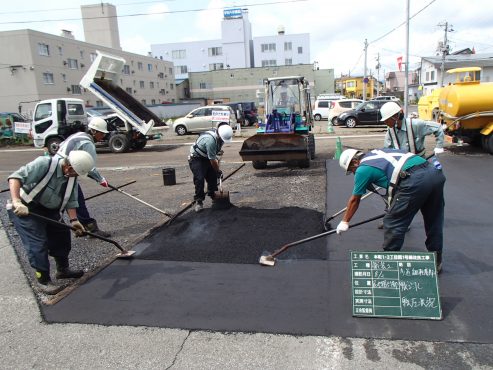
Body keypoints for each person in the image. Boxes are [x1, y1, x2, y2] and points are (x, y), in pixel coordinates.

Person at [336, 148, 446, 273]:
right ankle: (436, 260)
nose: (354, 173)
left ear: (355, 162)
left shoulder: (362, 169)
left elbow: (355, 199)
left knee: (393, 221)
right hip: (434, 172)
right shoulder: (376, 154)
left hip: (414, 180)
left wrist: (345, 221)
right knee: (434, 219)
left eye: (351, 170)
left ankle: (389, 261)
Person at [7, 150, 95, 294]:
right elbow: (15, 178)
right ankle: (43, 280)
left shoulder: (71, 176)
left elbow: (70, 199)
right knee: (37, 243)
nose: (76, 176)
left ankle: (63, 270)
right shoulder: (44, 164)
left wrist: (74, 220)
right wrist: (16, 201)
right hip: (26, 208)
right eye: (76, 173)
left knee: (62, 235)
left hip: (49, 209)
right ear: (69, 167)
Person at [55, 117, 110, 237]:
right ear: (95, 132)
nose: (103, 136)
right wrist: (101, 180)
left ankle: (81, 227)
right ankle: (89, 228)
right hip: (68, 172)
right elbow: (89, 167)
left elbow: (61, 146)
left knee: (74, 199)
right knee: (74, 200)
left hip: (59, 167)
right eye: (102, 133)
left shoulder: (78, 135)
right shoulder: (88, 144)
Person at [188, 123, 233, 212]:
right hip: (197, 158)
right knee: (199, 179)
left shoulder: (221, 137)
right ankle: (199, 201)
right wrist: (218, 170)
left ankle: (213, 195)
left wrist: (216, 169)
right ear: (219, 135)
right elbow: (212, 160)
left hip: (207, 156)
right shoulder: (210, 140)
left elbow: (214, 156)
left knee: (212, 176)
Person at [380, 101, 445, 157]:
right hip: (402, 165)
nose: (386, 123)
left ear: (396, 116)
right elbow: (387, 150)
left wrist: (439, 147)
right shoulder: (390, 131)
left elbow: (438, 128)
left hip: (419, 163)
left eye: (387, 120)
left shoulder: (416, 124)